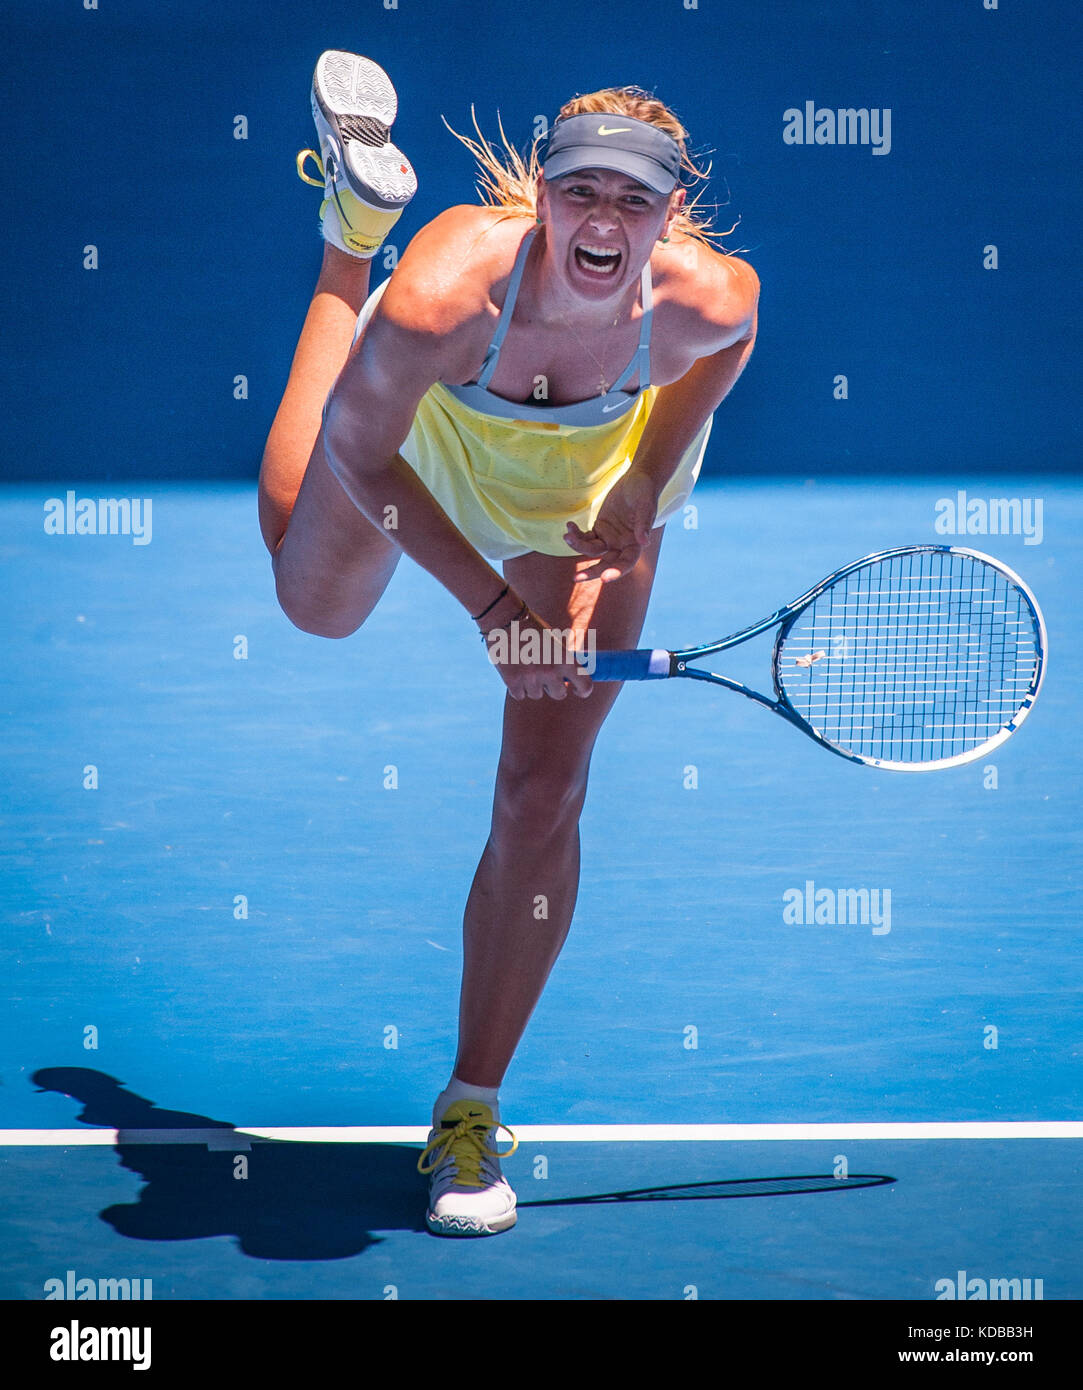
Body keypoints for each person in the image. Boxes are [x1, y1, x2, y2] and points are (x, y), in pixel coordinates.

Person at [258, 50, 759, 1236]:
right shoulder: (448, 297)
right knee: (311, 600)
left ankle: (468, 1110)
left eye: (635, 202)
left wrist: (641, 479)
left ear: (670, 213)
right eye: (582, 192)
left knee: (543, 791)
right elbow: (359, 456)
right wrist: (495, 613)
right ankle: (348, 234)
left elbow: (731, 347)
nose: (605, 220)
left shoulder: (706, 299)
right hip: (422, 445)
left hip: (587, 503)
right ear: (542, 195)